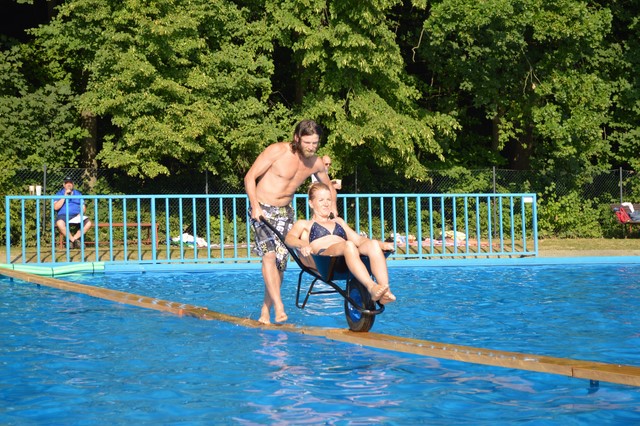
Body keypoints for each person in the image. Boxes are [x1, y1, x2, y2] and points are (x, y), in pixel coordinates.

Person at [245, 119, 338, 324]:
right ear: (297, 138)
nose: (311, 147)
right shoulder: (277, 151)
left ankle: (265, 311)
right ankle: (279, 307)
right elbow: (250, 177)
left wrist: (333, 210)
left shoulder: (315, 163)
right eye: (307, 142)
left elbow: (329, 187)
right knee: (269, 255)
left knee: (280, 265)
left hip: (285, 213)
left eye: (315, 143)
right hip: (262, 209)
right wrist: (255, 206)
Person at [285, 182, 396, 304]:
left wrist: (382, 245)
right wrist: (303, 244)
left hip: (348, 255)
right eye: (321, 200)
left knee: (372, 244)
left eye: (328, 199)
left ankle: (385, 292)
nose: (326, 203)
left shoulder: (338, 221)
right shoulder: (304, 224)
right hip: (326, 260)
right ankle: (371, 287)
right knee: (349, 245)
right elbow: (289, 238)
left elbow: (359, 240)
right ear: (311, 203)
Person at [54, 176, 92, 248]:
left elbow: (83, 207)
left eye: (70, 183)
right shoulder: (59, 194)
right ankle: (74, 241)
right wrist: (64, 196)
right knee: (59, 223)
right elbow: (56, 207)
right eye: (67, 183)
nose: (69, 184)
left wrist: (80, 214)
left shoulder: (78, 194)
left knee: (88, 223)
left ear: (73, 184)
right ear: (64, 185)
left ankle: (72, 240)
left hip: (76, 216)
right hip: (63, 216)